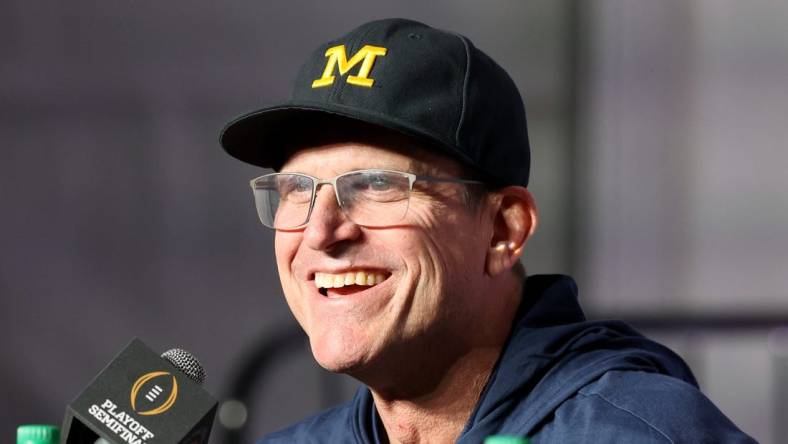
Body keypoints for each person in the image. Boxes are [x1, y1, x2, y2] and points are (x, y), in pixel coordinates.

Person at [220, 18, 755, 444]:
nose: (320, 233)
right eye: (295, 190)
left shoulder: (634, 432)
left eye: (377, 185)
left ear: (504, 229)